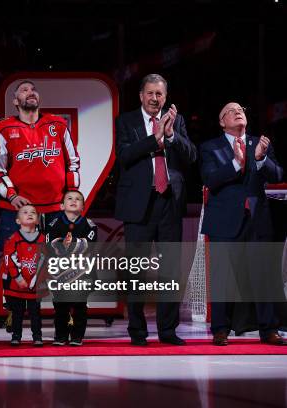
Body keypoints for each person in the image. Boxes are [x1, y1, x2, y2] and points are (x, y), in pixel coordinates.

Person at [115, 74, 197, 346]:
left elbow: (191, 155)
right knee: (136, 271)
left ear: (165, 96)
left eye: (159, 94)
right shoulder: (126, 121)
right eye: (149, 93)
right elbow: (124, 156)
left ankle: (168, 331)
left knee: (170, 270)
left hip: (169, 202)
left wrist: (172, 134)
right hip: (138, 204)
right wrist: (155, 137)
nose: (154, 98)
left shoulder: (178, 121)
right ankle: (137, 332)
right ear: (141, 95)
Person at [200, 102, 286, 346]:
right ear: (221, 122)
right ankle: (220, 330)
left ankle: (269, 330)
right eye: (230, 110)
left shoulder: (261, 143)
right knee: (222, 278)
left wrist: (260, 160)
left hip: (258, 220)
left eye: (241, 110)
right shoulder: (210, 147)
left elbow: (278, 175)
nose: (238, 112)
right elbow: (210, 179)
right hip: (224, 220)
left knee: (264, 276)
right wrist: (236, 164)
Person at [0, 80, 80, 252]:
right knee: (17, 266)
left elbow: (72, 163)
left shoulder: (58, 124)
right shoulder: (2, 128)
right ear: (15, 101)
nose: (30, 92)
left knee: (57, 266)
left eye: (33, 89)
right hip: (19, 209)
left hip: (55, 208)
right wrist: (12, 196)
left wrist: (71, 195)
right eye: (24, 90)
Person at [45, 191, 97, 346]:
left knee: (80, 306)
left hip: (82, 273)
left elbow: (90, 245)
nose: (74, 201)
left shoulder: (90, 225)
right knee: (60, 306)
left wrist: (72, 242)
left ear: (83, 206)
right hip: (60, 274)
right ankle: (60, 335)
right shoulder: (53, 224)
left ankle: (77, 336)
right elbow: (49, 245)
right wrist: (62, 244)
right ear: (62, 205)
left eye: (78, 199)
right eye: (69, 198)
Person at [0, 204, 45, 347]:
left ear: (38, 220)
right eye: (25, 212)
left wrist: (34, 281)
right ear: (18, 221)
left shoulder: (43, 238)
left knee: (35, 313)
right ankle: (16, 335)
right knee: (17, 312)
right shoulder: (13, 238)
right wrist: (18, 278)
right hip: (17, 284)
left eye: (33, 212)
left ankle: (37, 336)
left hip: (34, 285)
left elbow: (45, 261)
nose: (30, 214)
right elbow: (9, 259)